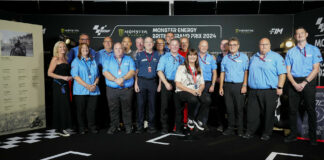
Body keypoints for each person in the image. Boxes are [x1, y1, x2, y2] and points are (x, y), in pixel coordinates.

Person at [284, 27, 322, 146]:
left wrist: (304, 83)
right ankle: (293, 135)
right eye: (297, 34)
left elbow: (316, 69)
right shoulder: (290, 52)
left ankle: (312, 137)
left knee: (310, 110)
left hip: (308, 81)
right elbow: (287, 71)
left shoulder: (314, 49)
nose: (299, 35)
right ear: (295, 36)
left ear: (306, 34)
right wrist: (295, 84)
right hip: (293, 82)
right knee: (292, 110)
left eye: (302, 33)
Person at [243, 38, 286, 141]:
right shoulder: (254, 57)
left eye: (266, 44)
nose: (263, 46)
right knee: (252, 113)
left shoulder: (276, 57)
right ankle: (250, 131)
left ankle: (266, 133)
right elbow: (248, 72)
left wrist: (280, 87)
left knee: (268, 113)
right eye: (261, 44)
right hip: (253, 91)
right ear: (259, 45)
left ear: (270, 45)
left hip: (269, 91)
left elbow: (282, 73)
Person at [103, 42, 136, 134]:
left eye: (120, 48)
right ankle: (114, 126)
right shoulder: (108, 59)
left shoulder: (129, 59)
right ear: (113, 50)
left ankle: (128, 127)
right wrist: (116, 80)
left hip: (126, 90)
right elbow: (105, 72)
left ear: (123, 50)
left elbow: (132, 71)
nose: (118, 50)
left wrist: (122, 79)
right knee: (113, 109)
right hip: (112, 90)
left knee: (127, 109)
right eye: (116, 48)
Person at [219, 37, 249, 136]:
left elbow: (246, 72)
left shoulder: (244, 57)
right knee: (229, 109)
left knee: (239, 109)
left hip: (239, 85)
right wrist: (221, 87)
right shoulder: (225, 58)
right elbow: (222, 73)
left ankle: (240, 129)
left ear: (238, 46)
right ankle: (230, 128)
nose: (232, 47)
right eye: (230, 45)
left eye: (234, 45)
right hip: (227, 86)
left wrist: (244, 85)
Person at [174, 49, 207, 133]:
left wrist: (200, 90)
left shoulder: (199, 68)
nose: (192, 57)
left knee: (207, 99)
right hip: (182, 91)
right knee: (193, 99)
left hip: (195, 91)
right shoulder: (181, 67)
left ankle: (198, 119)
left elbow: (202, 84)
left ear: (197, 57)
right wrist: (191, 91)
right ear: (187, 57)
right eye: (190, 55)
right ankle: (190, 118)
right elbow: (178, 84)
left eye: (194, 55)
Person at [71, 43, 100, 134]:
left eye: (86, 48)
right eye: (83, 48)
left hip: (93, 90)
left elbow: (98, 75)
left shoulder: (93, 61)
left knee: (91, 110)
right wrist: (87, 86)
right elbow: (75, 76)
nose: (85, 49)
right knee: (81, 111)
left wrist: (94, 84)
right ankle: (82, 128)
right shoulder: (76, 61)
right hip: (81, 91)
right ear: (80, 50)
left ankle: (91, 127)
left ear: (89, 49)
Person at [157, 39, 185, 134]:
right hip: (167, 82)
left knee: (178, 107)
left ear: (179, 46)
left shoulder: (182, 58)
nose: (174, 46)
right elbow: (160, 71)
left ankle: (178, 128)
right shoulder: (164, 57)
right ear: (169, 46)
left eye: (176, 45)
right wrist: (165, 83)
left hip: (179, 84)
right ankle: (165, 128)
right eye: (172, 45)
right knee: (165, 106)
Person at [134, 37, 160, 134]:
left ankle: (151, 126)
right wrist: (136, 83)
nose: (149, 44)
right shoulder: (139, 55)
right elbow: (136, 70)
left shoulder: (157, 55)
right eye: (147, 42)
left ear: (153, 44)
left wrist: (160, 84)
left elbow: (160, 71)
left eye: (150, 42)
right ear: (144, 44)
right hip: (141, 81)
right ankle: (140, 126)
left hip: (153, 82)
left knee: (152, 105)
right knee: (140, 105)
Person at [47, 41, 72, 137]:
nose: (62, 49)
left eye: (64, 47)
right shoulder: (55, 59)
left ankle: (62, 127)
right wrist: (63, 78)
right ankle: (60, 129)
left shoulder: (66, 59)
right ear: (57, 49)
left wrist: (70, 77)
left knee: (65, 106)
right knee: (60, 106)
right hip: (58, 85)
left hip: (65, 85)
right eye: (60, 47)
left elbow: (66, 72)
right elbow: (49, 73)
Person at [196, 40, 215, 130]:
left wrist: (213, 85)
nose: (203, 47)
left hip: (207, 83)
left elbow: (214, 72)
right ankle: (194, 122)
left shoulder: (211, 58)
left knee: (206, 102)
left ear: (207, 47)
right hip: (196, 83)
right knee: (196, 102)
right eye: (202, 46)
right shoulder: (194, 56)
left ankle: (203, 122)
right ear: (199, 47)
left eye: (205, 46)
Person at [96, 36, 113, 128]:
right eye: (106, 42)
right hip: (102, 79)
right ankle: (102, 122)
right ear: (103, 43)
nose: (107, 43)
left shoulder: (116, 52)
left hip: (113, 78)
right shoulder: (98, 54)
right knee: (102, 101)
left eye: (109, 41)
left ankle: (112, 122)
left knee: (111, 102)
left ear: (112, 43)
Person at [214, 39, 229, 132]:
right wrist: (216, 79)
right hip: (219, 85)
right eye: (222, 44)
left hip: (229, 84)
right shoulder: (218, 57)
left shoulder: (232, 56)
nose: (223, 46)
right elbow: (214, 71)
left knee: (230, 106)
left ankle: (231, 125)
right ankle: (221, 124)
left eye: (226, 44)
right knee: (220, 106)